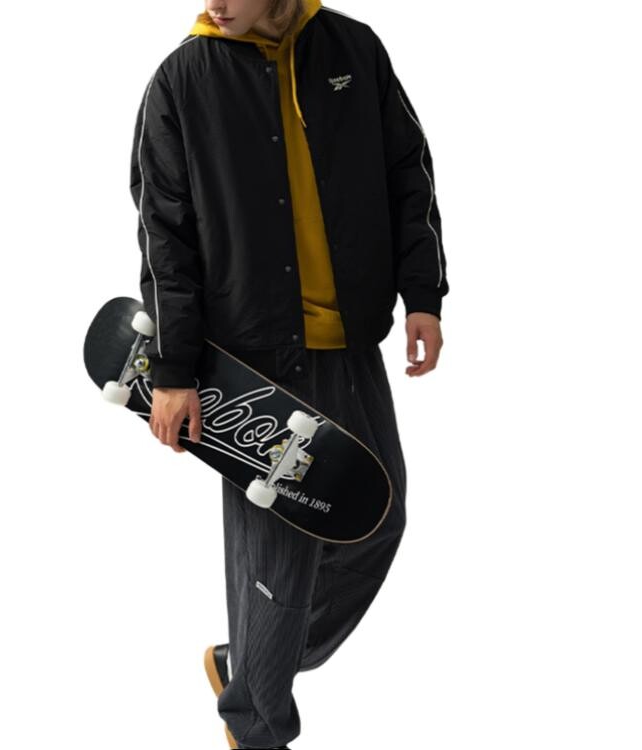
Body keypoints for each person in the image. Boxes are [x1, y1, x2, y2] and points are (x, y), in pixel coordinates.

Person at [129, 1, 449, 747]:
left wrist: (423, 295)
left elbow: (408, 172)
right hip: (253, 360)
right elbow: (163, 235)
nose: (213, 3)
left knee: (378, 520)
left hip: (349, 343)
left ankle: (249, 665)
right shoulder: (182, 80)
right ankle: (257, 725)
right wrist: (173, 370)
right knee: (278, 561)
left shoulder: (354, 50)